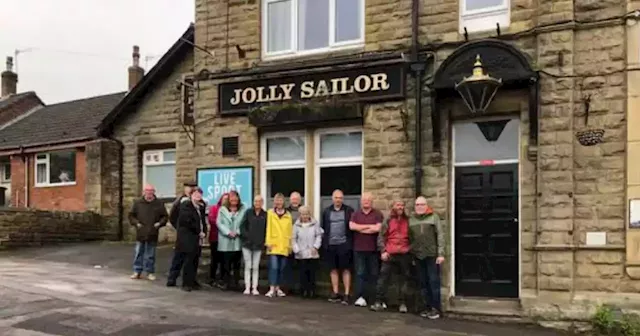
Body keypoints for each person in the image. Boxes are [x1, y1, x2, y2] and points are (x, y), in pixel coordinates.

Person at [371, 200, 412, 313]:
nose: (400, 207)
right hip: (390, 253)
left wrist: (410, 250)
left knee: (404, 280)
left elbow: (412, 237)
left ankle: (403, 303)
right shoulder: (388, 220)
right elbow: (381, 236)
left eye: (402, 205)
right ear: (393, 206)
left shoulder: (408, 221)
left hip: (404, 253)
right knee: (383, 278)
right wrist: (383, 251)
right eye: (398, 205)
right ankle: (378, 301)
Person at [410, 196, 445, 320]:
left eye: (422, 205)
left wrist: (441, 254)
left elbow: (440, 235)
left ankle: (436, 309)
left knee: (433, 282)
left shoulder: (433, 217)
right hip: (418, 256)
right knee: (422, 283)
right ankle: (426, 307)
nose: (419, 207)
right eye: (417, 205)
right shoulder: (412, 219)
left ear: (426, 206)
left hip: (431, 255)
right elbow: (410, 238)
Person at [349, 192, 383, 308]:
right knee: (360, 273)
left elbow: (378, 228)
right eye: (364, 200)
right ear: (361, 201)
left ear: (372, 201)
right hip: (359, 249)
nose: (366, 201)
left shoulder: (377, 214)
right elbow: (352, 226)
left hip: (373, 249)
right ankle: (360, 297)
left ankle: (373, 298)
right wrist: (369, 227)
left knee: (374, 274)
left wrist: (360, 228)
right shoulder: (355, 214)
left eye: (368, 200)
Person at [321, 189, 355, 305]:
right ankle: (335, 293)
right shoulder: (326, 211)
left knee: (346, 269)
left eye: (340, 198)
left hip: (344, 244)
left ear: (343, 199)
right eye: (336, 198)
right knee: (333, 269)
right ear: (332, 198)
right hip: (331, 244)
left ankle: (346, 294)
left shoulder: (349, 210)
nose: (338, 200)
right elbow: (324, 228)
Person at [128, 184, 168, 281]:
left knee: (150, 254)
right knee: (139, 253)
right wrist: (136, 223)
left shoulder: (159, 203)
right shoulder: (138, 203)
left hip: (152, 232)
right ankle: (137, 271)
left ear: (154, 192)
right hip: (141, 232)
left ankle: (150, 272)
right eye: (147, 191)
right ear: (144, 192)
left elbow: (165, 216)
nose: (149, 193)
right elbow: (131, 216)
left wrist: (159, 224)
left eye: (151, 191)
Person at [175, 187, 208, 292]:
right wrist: (199, 231)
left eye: (199, 194)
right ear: (191, 195)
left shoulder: (200, 207)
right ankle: (186, 283)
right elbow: (187, 221)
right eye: (196, 194)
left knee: (195, 260)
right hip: (188, 238)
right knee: (188, 261)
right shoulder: (186, 205)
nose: (198, 196)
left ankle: (193, 281)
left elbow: (202, 221)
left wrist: (204, 232)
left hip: (198, 238)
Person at [167, 181, 197, 287]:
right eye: (189, 187)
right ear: (185, 188)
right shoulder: (180, 201)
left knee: (191, 259)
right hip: (182, 235)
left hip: (193, 235)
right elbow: (172, 216)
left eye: (193, 187)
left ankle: (191, 280)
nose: (191, 189)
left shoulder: (197, 201)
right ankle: (172, 279)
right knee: (178, 257)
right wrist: (179, 227)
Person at [217, 190, 247, 291]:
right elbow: (219, 223)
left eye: (235, 197)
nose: (234, 199)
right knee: (226, 264)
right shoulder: (222, 209)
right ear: (228, 199)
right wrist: (228, 232)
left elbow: (245, 223)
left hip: (237, 240)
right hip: (225, 240)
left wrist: (237, 232)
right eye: (232, 198)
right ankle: (226, 283)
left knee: (237, 264)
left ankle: (236, 283)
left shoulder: (243, 209)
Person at [291, 205, 323, 299]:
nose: (304, 216)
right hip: (301, 253)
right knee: (302, 273)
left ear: (309, 214)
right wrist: (296, 250)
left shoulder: (315, 224)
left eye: (306, 214)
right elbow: (293, 239)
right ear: (300, 215)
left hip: (312, 253)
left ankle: (312, 291)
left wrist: (316, 247)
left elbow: (318, 236)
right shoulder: (296, 225)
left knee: (312, 273)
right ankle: (304, 291)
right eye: (303, 214)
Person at [265, 193, 293, 298]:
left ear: (283, 202)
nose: (279, 202)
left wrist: (290, 245)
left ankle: (278, 288)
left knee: (282, 268)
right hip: (273, 244)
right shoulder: (270, 213)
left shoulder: (288, 215)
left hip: (284, 244)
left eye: (280, 200)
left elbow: (290, 231)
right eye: (277, 200)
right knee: (274, 267)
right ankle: (272, 288)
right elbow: (268, 228)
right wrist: (268, 242)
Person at [240, 195, 267, 295]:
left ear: (262, 203)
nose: (257, 203)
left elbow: (266, 229)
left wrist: (263, 241)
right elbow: (242, 226)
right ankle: (247, 287)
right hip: (247, 244)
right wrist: (247, 236)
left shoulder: (265, 214)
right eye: (256, 201)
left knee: (255, 266)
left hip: (258, 244)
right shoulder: (248, 212)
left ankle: (254, 287)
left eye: (259, 201)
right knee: (248, 266)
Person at [207, 193, 229, 288]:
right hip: (215, 237)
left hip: (225, 239)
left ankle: (222, 279)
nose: (225, 200)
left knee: (224, 260)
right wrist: (222, 226)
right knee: (214, 259)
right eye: (224, 198)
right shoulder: (214, 208)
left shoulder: (229, 210)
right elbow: (211, 220)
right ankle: (212, 278)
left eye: (227, 199)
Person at [284, 191, 302, 295]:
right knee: (288, 266)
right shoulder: (286, 211)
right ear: (290, 200)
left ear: (300, 200)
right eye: (293, 199)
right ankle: (289, 287)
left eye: (297, 199)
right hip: (288, 241)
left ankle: (298, 287)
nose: (295, 201)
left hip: (301, 242)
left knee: (299, 267)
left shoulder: (302, 210)